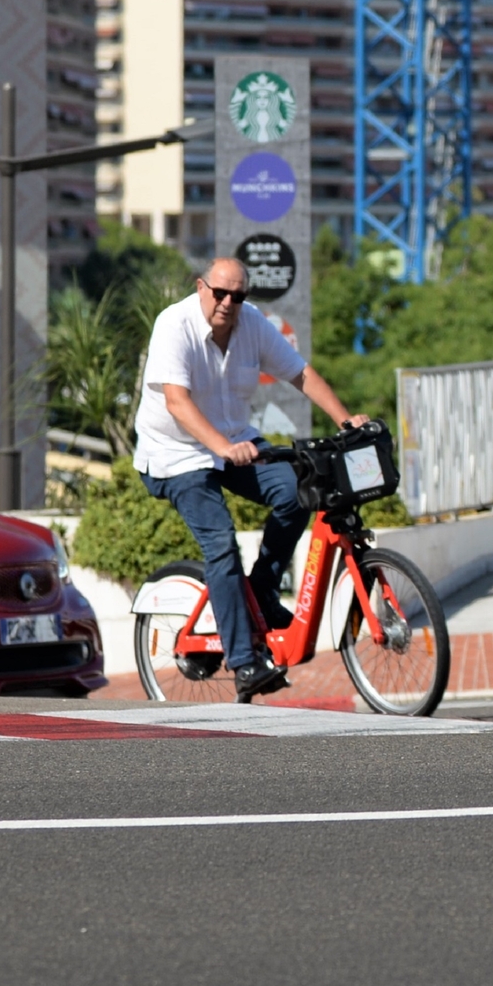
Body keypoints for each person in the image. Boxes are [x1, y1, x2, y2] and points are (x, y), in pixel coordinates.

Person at [134, 258, 366, 702]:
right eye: (219, 293)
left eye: (237, 296)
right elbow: (178, 403)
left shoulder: (252, 324)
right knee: (220, 543)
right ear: (201, 287)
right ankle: (243, 663)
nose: (227, 303)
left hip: (235, 442)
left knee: (298, 489)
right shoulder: (173, 325)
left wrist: (345, 420)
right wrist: (221, 447)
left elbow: (299, 372)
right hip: (177, 454)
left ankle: (260, 588)